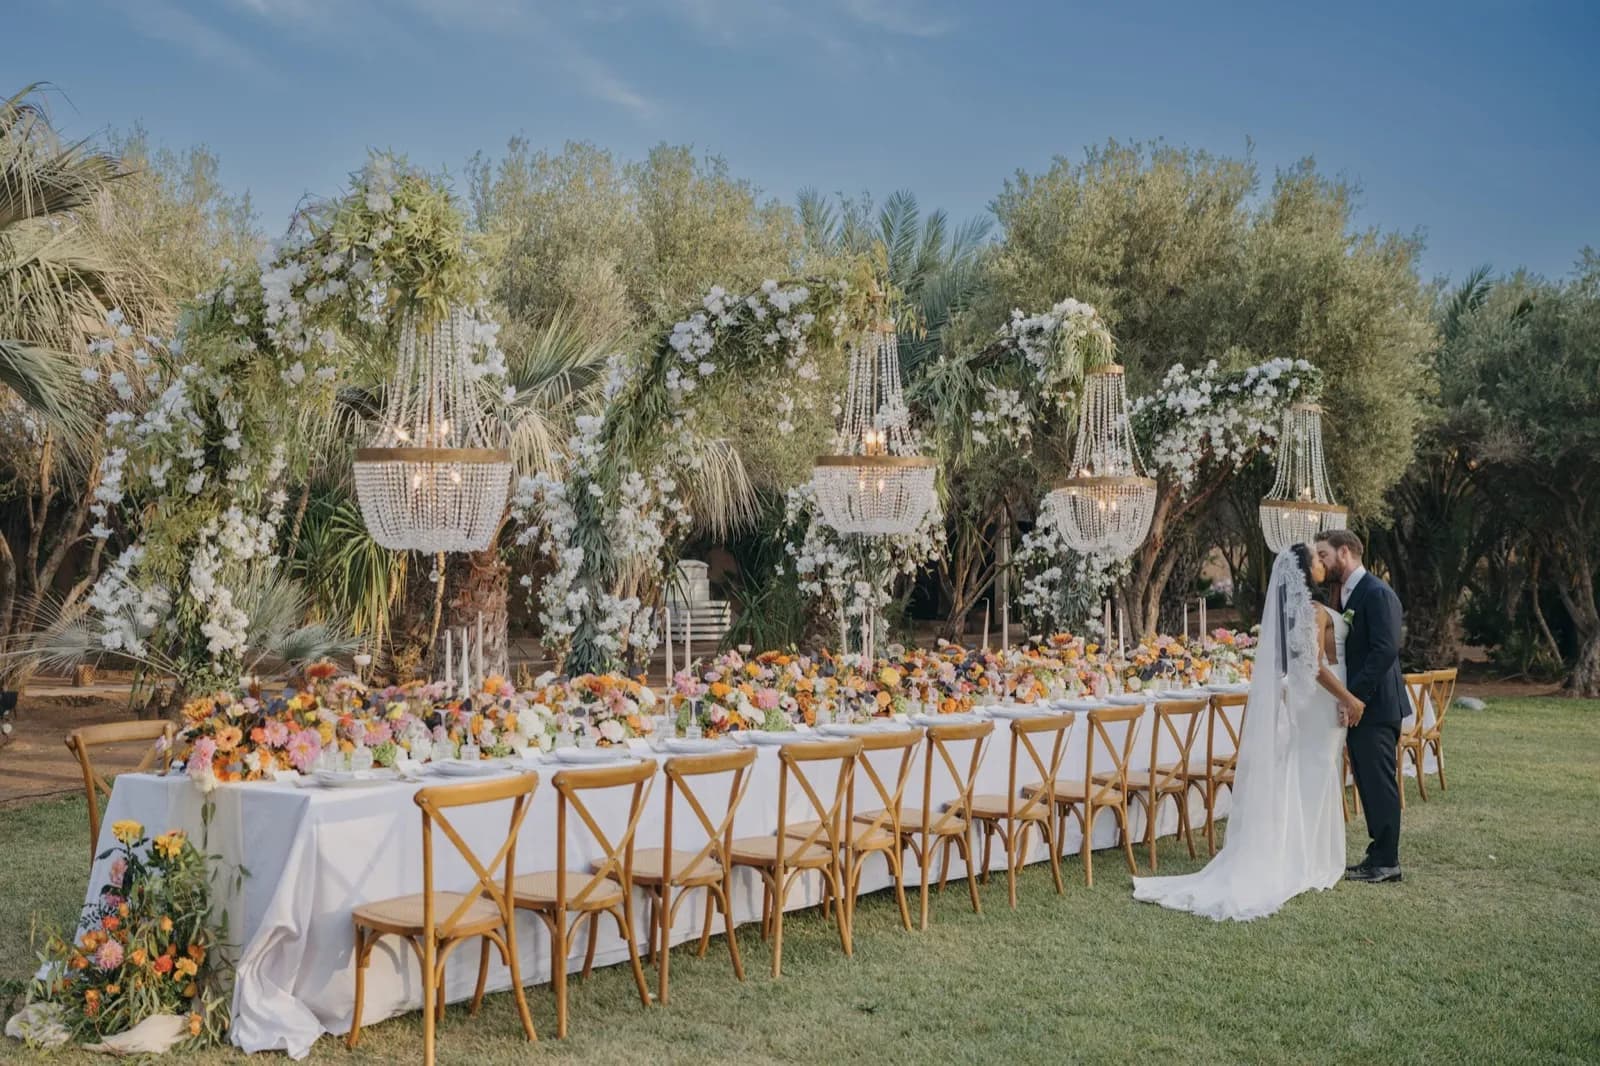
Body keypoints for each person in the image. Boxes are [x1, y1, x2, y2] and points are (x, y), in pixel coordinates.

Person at [1131, 544, 1361, 920]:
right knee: (1314, 777)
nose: (1323, 562)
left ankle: (1307, 855)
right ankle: (1304, 859)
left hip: (1320, 705)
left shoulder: (1315, 608)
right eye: (1317, 560)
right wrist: (1349, 698)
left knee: (1314, 778)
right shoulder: (1314, 611)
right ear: (1305, 573)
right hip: (1323, 703)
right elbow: (1316, 666)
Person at [1315, 529, 1407, 884]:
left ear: (1345, 553)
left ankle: (1387, 862)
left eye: (1324, 554)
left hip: (1376, 706)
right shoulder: (1346, 594)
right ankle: (1377, 855)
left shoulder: (1377, 593)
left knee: (1379, 783)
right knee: (1367, 782)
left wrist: (1353, 698)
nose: (1321, 562)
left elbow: (1384, 650)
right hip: (1361, 705)